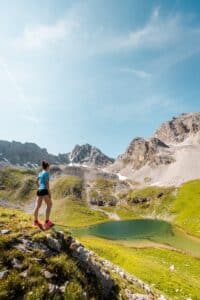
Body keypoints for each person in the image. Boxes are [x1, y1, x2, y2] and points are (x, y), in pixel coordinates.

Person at [33, 160, 54, 229]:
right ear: (47, 167)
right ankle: (47, 222)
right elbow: (47, 183)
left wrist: (39, 187)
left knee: (37, 206)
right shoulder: (46, 173)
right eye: (49, 167)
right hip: (45, 190)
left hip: (39, 190)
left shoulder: (40, 173)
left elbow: (36, 181)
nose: (49, 168)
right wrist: (49, 193)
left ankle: (35, 222)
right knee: (50, 204)